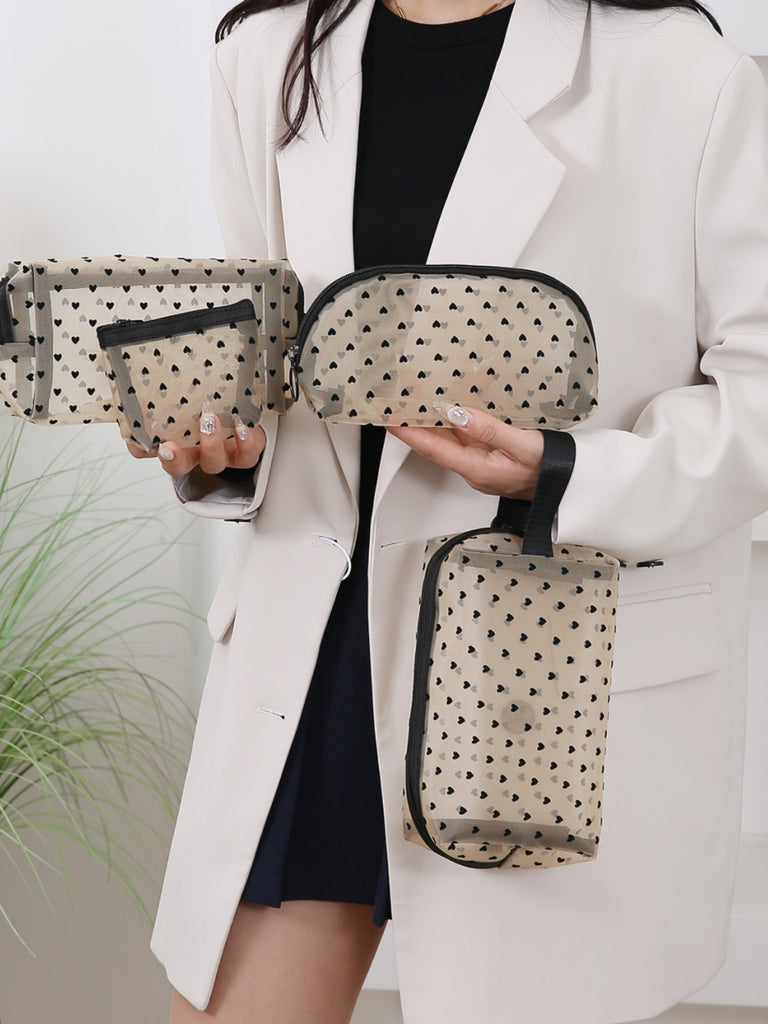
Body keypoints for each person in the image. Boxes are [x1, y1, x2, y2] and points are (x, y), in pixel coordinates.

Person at [133, 0, 768, 1021]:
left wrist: (564, 469)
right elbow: (275, 364)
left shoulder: (687, 74)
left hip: (529, 663)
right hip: (309, 654)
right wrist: (223, 446)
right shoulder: (267, 56)